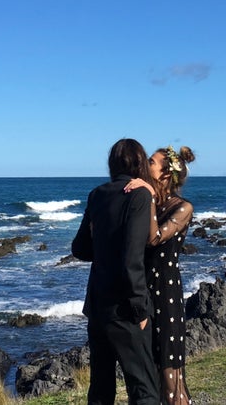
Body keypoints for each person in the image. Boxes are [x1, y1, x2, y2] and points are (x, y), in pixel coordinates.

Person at [71, 138, 160, 405]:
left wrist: (103, 244)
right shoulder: (139, 195)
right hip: (125, 308)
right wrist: (138, 307)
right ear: (140, 163)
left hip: (97, 306)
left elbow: (80, 249)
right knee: (143, 388)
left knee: (100, 389)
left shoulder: (97, 194)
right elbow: (132, 256)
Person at [125, 145, 196, 405]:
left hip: (166, 293)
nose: (145, 164)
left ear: (166, 174)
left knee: (170, 373)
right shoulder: (148, 200)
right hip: (143, 292)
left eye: (151, 162)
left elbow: (154, 238)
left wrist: (147, 195)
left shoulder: (183, 207)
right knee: (147, 370)